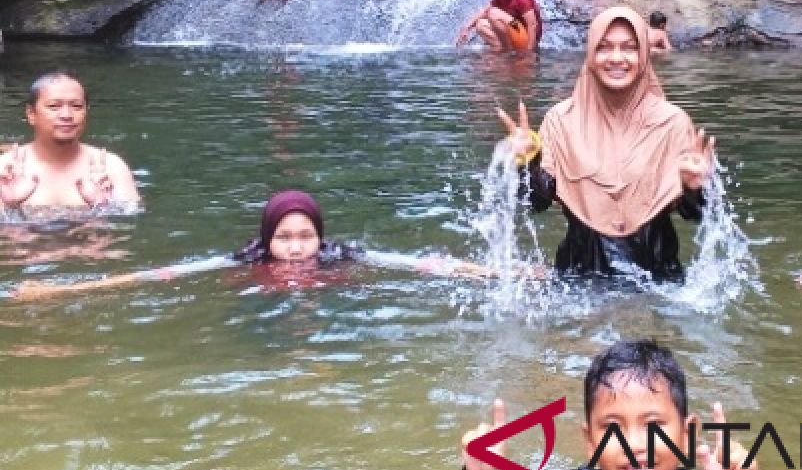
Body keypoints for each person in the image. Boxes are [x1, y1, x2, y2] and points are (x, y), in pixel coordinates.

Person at [451, 338, 802, 470]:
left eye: (653, 426)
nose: (635, 444)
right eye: (612, 428)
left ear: (687, 433)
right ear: (590, 442)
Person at [495, 7, 713, 276]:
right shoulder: (562, 120)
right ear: (590, 55)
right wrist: (527, 162)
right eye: (604, 47)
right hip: (581, 277)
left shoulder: (672, 122)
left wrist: (696, 187)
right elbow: (537, 203)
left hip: (656, 278)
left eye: (629, 48)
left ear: (643, 55)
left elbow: (697, 214)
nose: (617, 58)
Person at [12, 189, 493, 300]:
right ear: (267, 240)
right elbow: (159, 276)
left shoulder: (339, 257)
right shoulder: (249, 261)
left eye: (306, 236)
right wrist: (59, 291)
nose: (297, 248)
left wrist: (497, 274)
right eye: (284, 237)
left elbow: (422, 265)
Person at [0, 72, 139, 216]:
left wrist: (102, 207)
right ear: (31, 114)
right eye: (54, 106)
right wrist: (11, 208)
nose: (67, 115)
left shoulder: (112, 168)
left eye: (77, 106)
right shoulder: (5, 171)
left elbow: (130, 229)